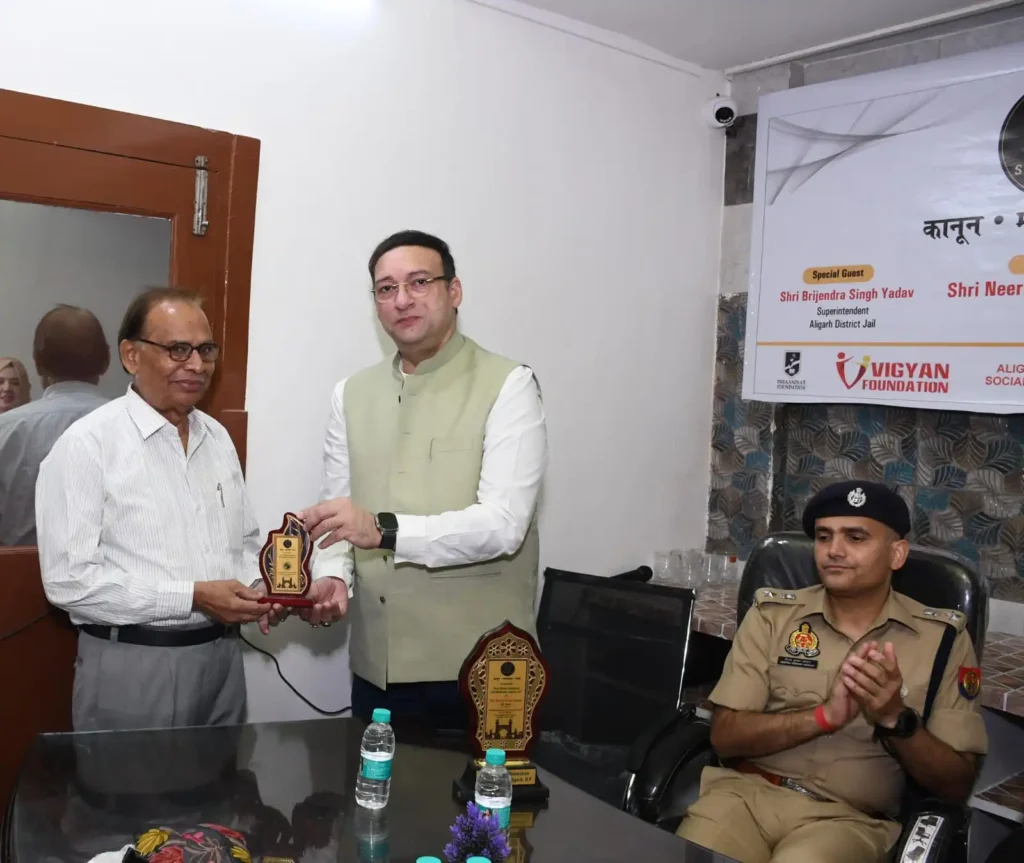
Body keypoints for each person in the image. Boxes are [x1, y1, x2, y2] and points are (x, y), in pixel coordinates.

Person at [300, 230, 548, 727]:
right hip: (380, 666)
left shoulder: (509, 384)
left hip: (484, 669)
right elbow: (338, 512)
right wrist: (332, 577)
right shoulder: (351, 394)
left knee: (480, 786)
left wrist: (384, 531)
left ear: (454, 291)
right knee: (371, 781)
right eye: (386, 288)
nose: (402, 299)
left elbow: (504, 525)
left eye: (419, 282)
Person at [676, 480, 988, 863]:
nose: (834, 551)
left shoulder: (942, 640)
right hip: (744, 799)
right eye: (824, 537)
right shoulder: (773, 616)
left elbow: (956, 785)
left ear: (896, 554)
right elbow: (725, 737)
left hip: (848, 821)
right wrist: (823, 717)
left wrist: (895, 719)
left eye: (855, 538)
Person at [36, 287, 270, 732]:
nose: (196, 365)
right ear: (131, 355)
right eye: (178, 349)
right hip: (135, 664)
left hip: (223, 662)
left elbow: (243, 543)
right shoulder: (87, 445)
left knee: (223, 778)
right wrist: (193, 596)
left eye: (205, 350)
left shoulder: (217, 438)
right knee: (131, 780)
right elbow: (69, 582)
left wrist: (263, 590)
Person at [0, 306, 110, 546]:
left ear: (37, 364)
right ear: (107, 361)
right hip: (116, 571)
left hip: (17, 569)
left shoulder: (5, 431)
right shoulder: (143, 427)